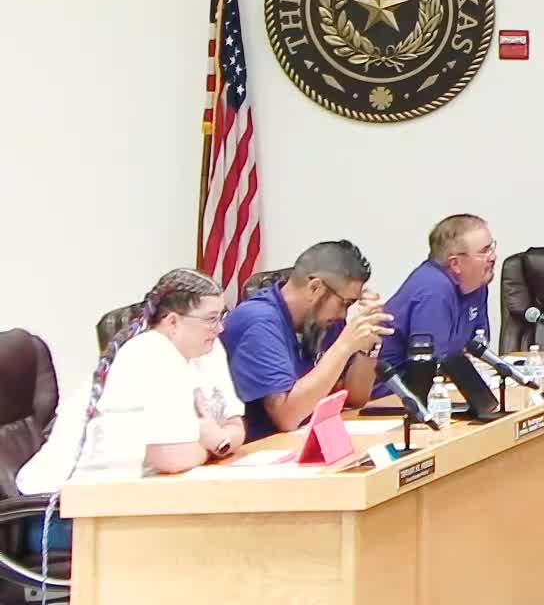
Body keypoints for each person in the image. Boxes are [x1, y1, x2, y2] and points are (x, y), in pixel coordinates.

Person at [16, 269, 246, 556]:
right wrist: (213, 441)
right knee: (212, 546)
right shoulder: (150, 354)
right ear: (172, 322)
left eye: (222, 316)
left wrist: (214, 440)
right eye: (211, 319)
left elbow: (236, 426)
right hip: (63, 516)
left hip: (123, 503)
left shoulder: (207, 350)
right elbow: (170, 458)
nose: (220, 328)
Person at [223, 240, 391, 441]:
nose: (343, 314)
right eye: (344, 303)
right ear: (315, 288)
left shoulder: (324, 320)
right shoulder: (259, 321)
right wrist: (345, 345)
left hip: (304, 440)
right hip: (258, 447)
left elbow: (355, 398)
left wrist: (369, 343)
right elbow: (287, 417)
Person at [378, 214, 497, 378]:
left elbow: (478, 348)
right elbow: (431, 368)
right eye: (484, 251)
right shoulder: (433, 292)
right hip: (395, 389)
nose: (493, 257)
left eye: (491, 248)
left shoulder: (477, 285)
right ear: (455, 264)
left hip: (442, 385)